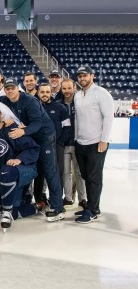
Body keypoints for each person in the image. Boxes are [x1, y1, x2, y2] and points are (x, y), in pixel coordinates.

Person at [0, 78, 64, 222]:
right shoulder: (6, 99)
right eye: (7, 88)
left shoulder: (30, 101)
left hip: (44, 137)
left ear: (18, 89)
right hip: (30, 139)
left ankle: (57, 208)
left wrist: (22, 132)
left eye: (12, 88)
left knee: (50, 171)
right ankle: (27, 201)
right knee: (32, 171)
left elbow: (37, 123)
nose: (10, 90)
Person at [0, 104, 40, 231]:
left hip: (25, 168)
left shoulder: (12, 130)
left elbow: (33, 148)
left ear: (1, 115)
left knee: (6, 173)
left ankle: (32, 207)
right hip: (6, 170)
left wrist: (20, 159)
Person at [73, 65, 114, 223]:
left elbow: (109, 117)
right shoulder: (78, 95)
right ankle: (90, 205)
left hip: (96, 143)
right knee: (85, 175)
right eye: (80, 76)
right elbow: (77, 119)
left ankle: (93, 210)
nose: (82, 78)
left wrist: (104, 139)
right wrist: (76, 138)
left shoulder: (101, 93)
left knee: (94, 177)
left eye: (85, 76)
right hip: (81, 142)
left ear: (92, 76)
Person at [36, 83, 70, 209]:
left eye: (47, 92)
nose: (44, 94)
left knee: (56, 174)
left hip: (56, 146)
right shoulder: (34, 107)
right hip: (39, 147)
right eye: (42, 92)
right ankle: (39, 199)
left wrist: (60, 142)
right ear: (38, 93)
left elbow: (66, 126)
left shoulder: (60, 108)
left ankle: (56, 200)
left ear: (51, 93)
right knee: (39, 174)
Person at [60, 79, 87, 208]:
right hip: (64, 144)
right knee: (66, 173)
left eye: (69, 88)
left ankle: (83, 199)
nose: (67, 91)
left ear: (74, 88)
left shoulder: (80, 103)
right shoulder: (59, 104)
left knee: (80, 173)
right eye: (64, 88)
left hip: (78, 144)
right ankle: (68, 198)